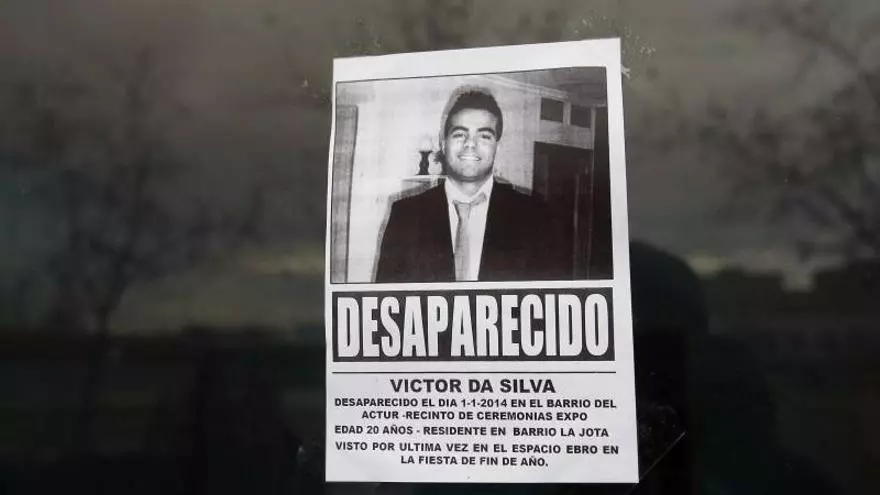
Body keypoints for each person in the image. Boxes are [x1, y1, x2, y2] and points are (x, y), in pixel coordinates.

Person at [375, 86, 567, 282]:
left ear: (497, 147)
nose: (470, 144)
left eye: (484, 136)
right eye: (460, 134)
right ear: (443, 144)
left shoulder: (536, 216)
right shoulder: (405, 216)